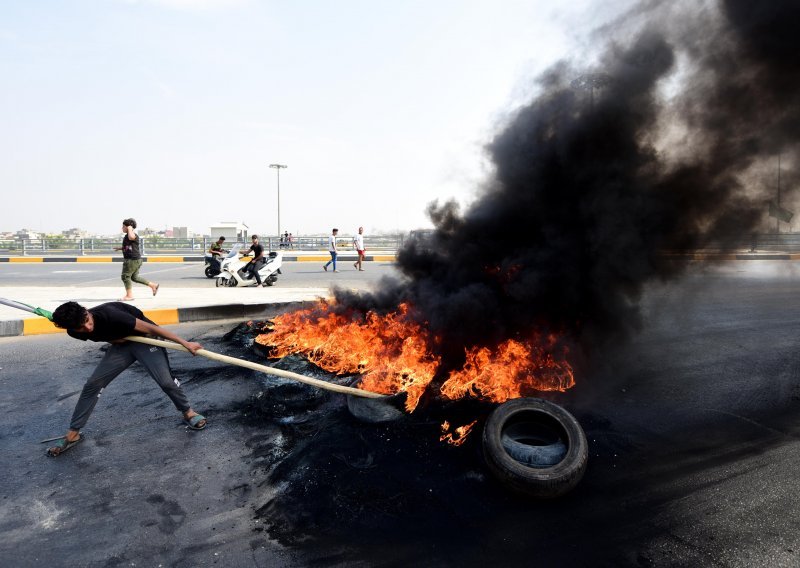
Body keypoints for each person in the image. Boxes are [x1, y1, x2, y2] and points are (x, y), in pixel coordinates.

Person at [46, 301, 207, 457]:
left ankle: (189, 413)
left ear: (86, 311)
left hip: (146, 338)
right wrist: (117, 340)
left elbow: (152, 328)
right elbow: (99, 335)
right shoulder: (74, 330)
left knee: (166, 382)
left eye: (87, 321)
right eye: (80, 327)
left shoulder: (112, 315)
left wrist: (185, 343)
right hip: (122, 345)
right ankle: (73, 433)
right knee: (93, 384)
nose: (87, 328)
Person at [114, 218, 159, 301]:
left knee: (125, 276)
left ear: (128, 227)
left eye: (123, 226)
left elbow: (131, 237)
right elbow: (129, 247)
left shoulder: (132, 235)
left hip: (132, 260)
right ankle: (153, 285)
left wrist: (130, 228)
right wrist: (120, 248)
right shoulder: (127, 236)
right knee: (134, 277)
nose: (122, 228)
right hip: (135, 260)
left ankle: (129, 295)